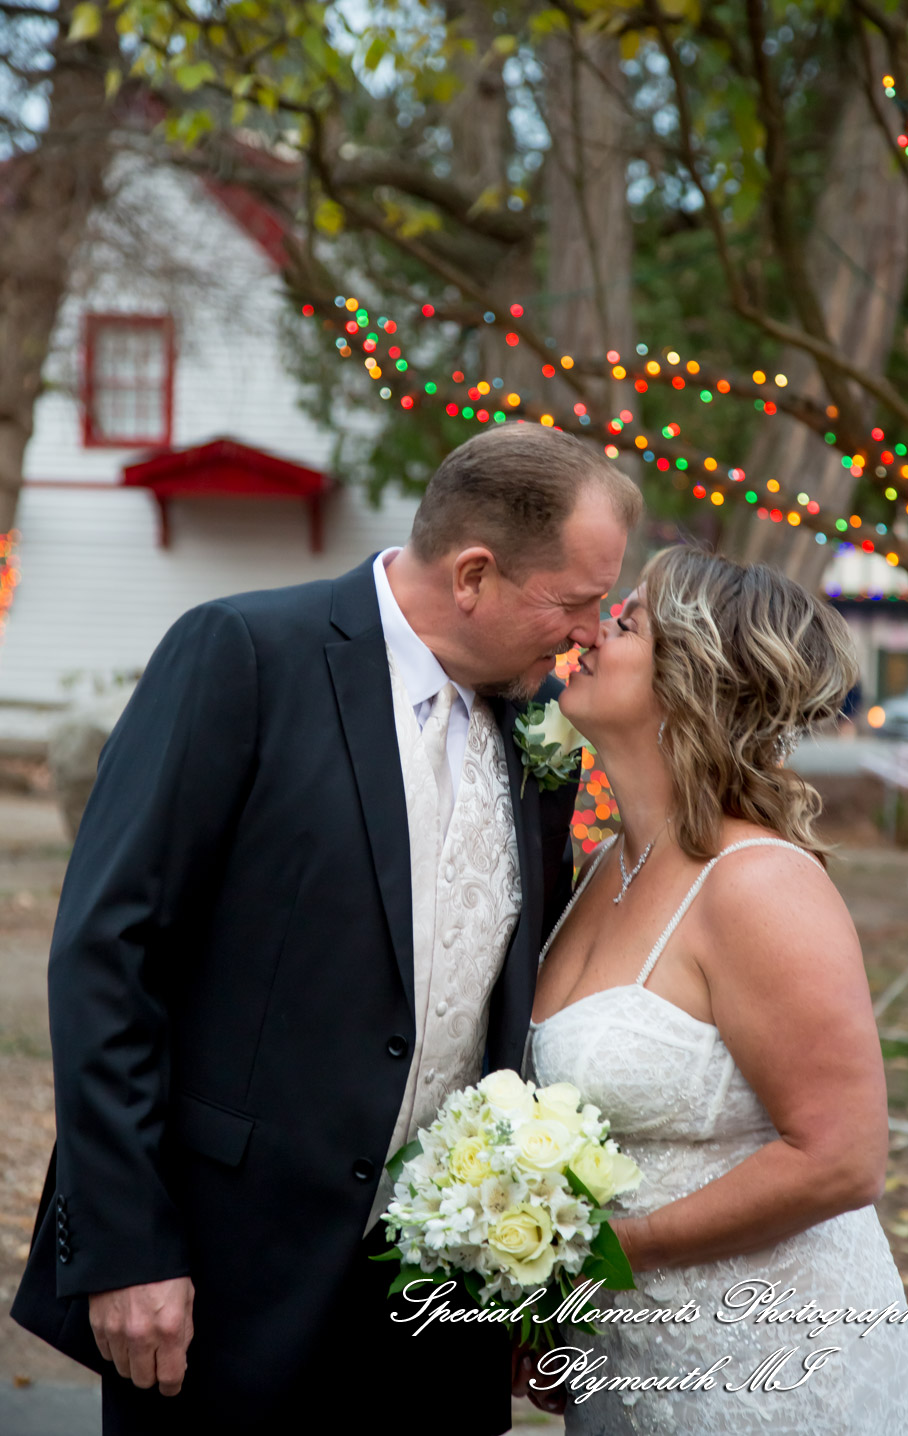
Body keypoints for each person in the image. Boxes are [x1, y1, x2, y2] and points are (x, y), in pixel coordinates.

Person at [11, 423, 642, 1435]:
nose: (585, 631)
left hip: (436, 1305)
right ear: (474, 574)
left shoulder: (540, 733)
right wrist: (127, 1246)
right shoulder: (245, 654)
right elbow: (106, 953)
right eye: (572, 601)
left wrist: (521, 1282)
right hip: (220, 1279)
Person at [526, 546, 908, 1435]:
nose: (588, 632)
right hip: (626, 1364)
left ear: (690, 678)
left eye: (625, 623)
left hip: (768, 1369)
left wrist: (612, 1256)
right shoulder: (599, 872)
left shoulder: (757, 884)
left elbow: (841, 1157)